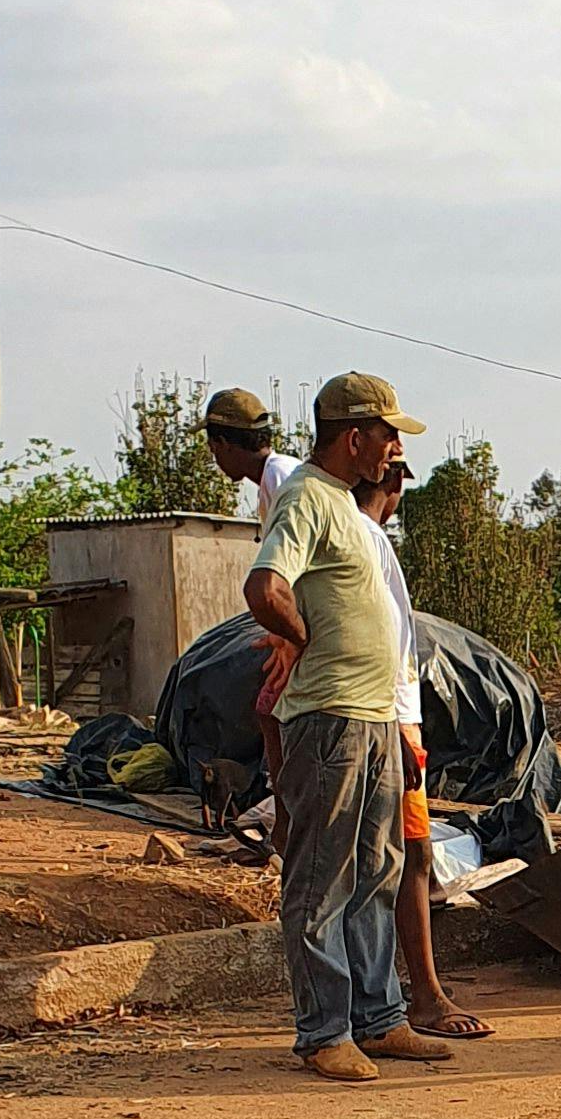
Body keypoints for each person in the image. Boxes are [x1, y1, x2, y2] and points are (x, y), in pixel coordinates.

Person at [243, 374, 458, 1082]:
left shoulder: (347, 509)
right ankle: (323, 1031)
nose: (395, 450)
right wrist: (300, 636)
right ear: (353, 436)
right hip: (329, 716)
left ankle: (380, 1018)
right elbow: (265, 587)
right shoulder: (307, 497)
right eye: (388, 435)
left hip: (372, 716)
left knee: (378, 871)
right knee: (323, 877)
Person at [351, 451, 491, 1042]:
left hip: (395, 723)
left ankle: (402, 999)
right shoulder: (356, 535)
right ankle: (396, 1004)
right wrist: (403, 728)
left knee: (407, 857)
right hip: (383, 724)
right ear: (393, 479)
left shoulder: (369, 539)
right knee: (390, 861)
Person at [202, 385, 302, 526]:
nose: (214, 457)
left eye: (213, 447)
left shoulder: (280, 476)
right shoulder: (278, 473)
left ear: (223, 443)